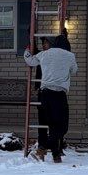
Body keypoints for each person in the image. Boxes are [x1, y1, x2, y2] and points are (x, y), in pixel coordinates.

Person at [23, 31, 77, 163]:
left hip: (45, 94)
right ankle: (47, 150)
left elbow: (30, 61)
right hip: (59, 95)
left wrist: (27, 50)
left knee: (51, 123)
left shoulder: (44, 54)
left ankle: (50, 152)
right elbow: (74, 70)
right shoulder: (70, 56)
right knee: (61, 127)